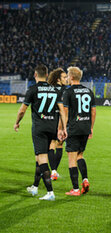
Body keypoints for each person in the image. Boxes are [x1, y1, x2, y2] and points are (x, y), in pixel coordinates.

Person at [14, 64, 67, 201]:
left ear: (35, 75)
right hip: (52, 127)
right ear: (47, 75)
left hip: (39, 128)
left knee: (42, 158)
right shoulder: (55, 90)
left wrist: (17, 122)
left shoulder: (33, 89)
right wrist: (64, 128)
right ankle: (35, 187)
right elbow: (62, 110)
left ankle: (50, 192)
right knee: (39, 158)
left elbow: (22, 110)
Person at [62, 67, 96, 196]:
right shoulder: (88, 91)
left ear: (71, 77)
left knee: (71, 159)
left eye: (67, 76)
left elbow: (65, 111)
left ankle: (75, 189)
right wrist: (91, 127)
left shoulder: (68, 91)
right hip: (85, 127)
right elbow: (93, 111)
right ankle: (85, 180)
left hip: (74, 128)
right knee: (80, 155)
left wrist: (63, 128)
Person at [47, 68, 69, 180]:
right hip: (59, 120)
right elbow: (64, 110)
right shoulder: (64, 90)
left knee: (51, 145)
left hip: (48, 120)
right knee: (59, 144)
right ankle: (54, 171)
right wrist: (62, 126)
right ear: (58, 79)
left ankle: (53, 171)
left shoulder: (49, 88)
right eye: (64, 77)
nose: (66, 79)